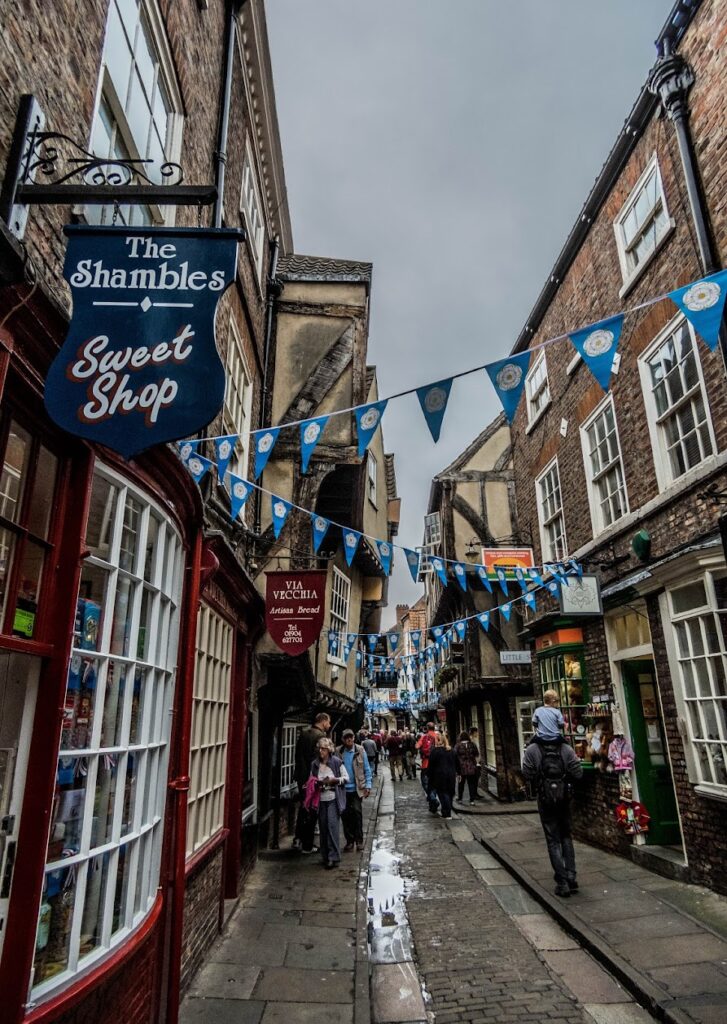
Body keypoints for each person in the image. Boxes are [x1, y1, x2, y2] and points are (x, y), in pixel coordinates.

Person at [522, 734, 583, 897]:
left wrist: (541, 779)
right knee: (566, 837)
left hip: (545, 800)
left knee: (553, 840)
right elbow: (578, 773)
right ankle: (571, 876)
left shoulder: (533, 749)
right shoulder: (566, 748)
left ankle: (562, 883)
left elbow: (526, 773)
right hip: (564, 800)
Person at [307, 737, 348, 869]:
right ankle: (325, 856)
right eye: (319, 748)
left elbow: (346, 778)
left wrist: (334, 780)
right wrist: (312, 784)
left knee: (332, 826)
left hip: (333, 798)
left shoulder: (336, 762)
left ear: (329, 750)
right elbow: (311, 779)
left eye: (323, 749)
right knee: (323, 827)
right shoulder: (315, 764)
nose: (321, 751)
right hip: (320, 799)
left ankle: (333, 856)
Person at [293, 712, 330, 853]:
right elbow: (319, 760)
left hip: (301, 776)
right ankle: (307, 845)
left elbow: (299, 756)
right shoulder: (320, 737)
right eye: (328, 722)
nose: (329, 725)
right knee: (312, 811)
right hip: (312, 779)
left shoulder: (304, 733)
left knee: (304, 808)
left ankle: (298, 839)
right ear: (323, 721)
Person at [337, 729, 372, 851]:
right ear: (343, 739)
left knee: (357, 814)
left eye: (350, 737)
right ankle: (349, 841)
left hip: (357, 788)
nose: (349, 739)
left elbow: (367, 769)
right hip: (343, 789)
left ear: (354, 738)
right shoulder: (338, 752)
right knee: (345, 815)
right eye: (346, 737)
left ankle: (359, 840)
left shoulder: (360, 750)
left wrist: (368, 785)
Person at [427, 732, 457, 817]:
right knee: (450, 793)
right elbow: (457, 763)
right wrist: (459, 773)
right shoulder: (452, 751)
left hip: (439, 776)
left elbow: (431, 766)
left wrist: (429, 776)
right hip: (451, 775)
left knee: (443, 794)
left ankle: (446, 812)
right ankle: (448, 811)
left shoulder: (435, 752)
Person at [454, 730, 480, 804]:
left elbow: (454, 756)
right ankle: (472, 800)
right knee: (471, 784)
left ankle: (460, 799)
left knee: (461, 784)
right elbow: (477, 754)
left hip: (461, 768)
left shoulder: (457, 746)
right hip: (471, 767)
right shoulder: (472, 744)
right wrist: (475, 763)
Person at [416, 722, 438, 800]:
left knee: (425, 782)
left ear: (427, 728)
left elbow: (417, 746)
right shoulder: (438, 736)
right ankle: (433, 798)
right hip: (437, 764)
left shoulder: (424, 737)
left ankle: (432, 797)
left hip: (426, 763)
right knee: (435, 783)